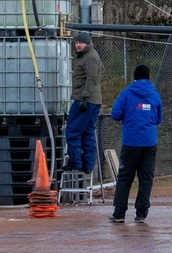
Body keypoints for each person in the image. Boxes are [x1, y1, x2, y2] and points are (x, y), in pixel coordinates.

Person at [108, 64, 163, 224]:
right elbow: (158, 119)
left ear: (135, 76)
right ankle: (141, 213)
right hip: (149, 142)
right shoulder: (155, 95)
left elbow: (115, 114)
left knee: (125, 177)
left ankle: (119, 213)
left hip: (131, 142)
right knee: (146, 177)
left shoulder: (126, 93)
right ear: (148, 77)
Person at [65, 31, 103, 173]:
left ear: (87, 43)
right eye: (76, 43)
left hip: (84, 100)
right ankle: (88, 165)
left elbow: (91, 78)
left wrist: (84, 98)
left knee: (72, 130)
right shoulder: (90, 56)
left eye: (80, 43)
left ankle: (75, 162)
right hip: (92, 100)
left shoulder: (89, 58)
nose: (78, 45)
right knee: (87, 132)